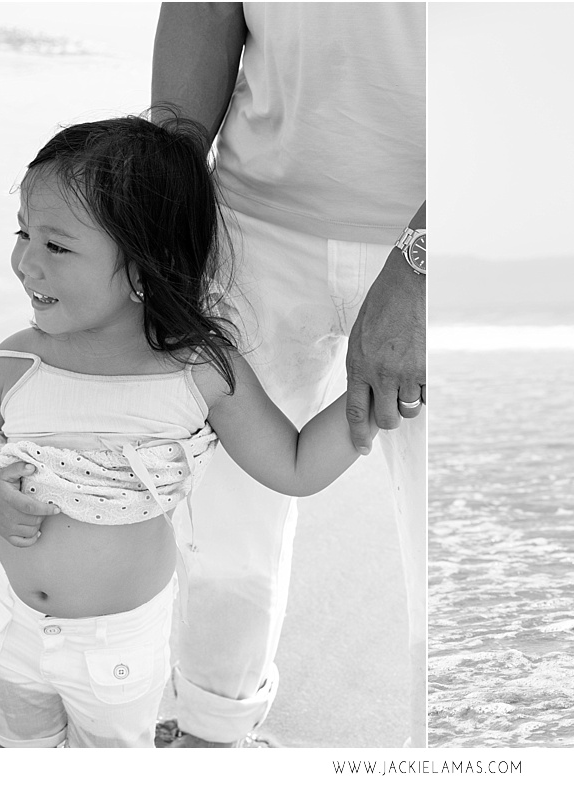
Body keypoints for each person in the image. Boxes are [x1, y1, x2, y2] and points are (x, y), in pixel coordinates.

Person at [0, 115, 377, 748]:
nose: (25, 262)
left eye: (56, 246)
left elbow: (292, 466)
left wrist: (368, 397)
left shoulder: (195, 373)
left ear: (144, 267)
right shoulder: (18, 362)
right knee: (17, 754)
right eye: (23, 233)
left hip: (114, 652)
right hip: (6, 624)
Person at [151, 3, 426, 747]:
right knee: (223, 522)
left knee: (449, 550)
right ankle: (211, 733)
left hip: (439, 231)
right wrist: (160, 205)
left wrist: (421, 268)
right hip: (249, 218)